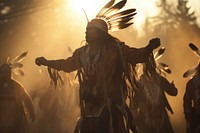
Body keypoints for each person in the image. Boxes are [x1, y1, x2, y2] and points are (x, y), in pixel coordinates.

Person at [35, 0, 160, 132]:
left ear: (100, 33)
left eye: (90, 30)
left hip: (109, 105)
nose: (86, 32)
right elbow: (67, 65)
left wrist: (148, 48)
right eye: (86, 30)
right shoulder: (82, 53)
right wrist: (47, 62)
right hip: (89, 106)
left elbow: (136, 55)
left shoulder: (114, 50)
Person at [131, 48, 178, 133]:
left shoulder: (159, 80)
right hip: (145, 122)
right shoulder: (139, 83)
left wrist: (172, 87)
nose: (150, 67)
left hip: (161, 120)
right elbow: (134, 104)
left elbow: (174, 92)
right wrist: (140, 108)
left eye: (151, 64)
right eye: (148, 64)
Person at [0, 63, 35, 133]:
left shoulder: (17, 86)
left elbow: (26, 99)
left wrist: (31, 111)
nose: (5, 74)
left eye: (7, 72)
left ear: (10, 73)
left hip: (15, 123)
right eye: (3, 72)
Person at [183, 43, 200, 133]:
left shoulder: (192, 82)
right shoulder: (192, 83)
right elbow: (187, 100)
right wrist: (188, 114)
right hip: (197, 117)